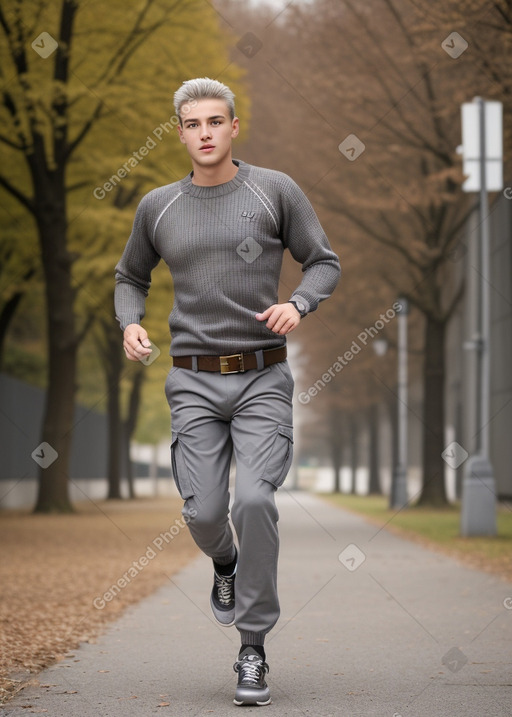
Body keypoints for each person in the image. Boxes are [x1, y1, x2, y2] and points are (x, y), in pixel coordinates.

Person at [114, 77, 341, 707]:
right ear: (181, 131)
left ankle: (252, 647)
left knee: (255, 503)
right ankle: (224, 564)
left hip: (262, 376)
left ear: (234, 126)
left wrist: (299, 303)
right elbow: (130, 275)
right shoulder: (158, 206)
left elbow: (323, 260)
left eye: (217, 121)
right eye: (193, 124)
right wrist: (130, 321)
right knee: (206, 514)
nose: (206, 133)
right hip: (191, 377)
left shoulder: (274, 191)